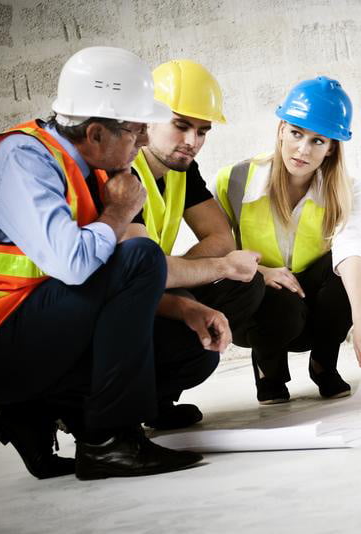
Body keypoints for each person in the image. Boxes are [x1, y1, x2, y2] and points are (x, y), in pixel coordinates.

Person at [0, 46, 211, 480]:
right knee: (139, 258)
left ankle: (32, 413)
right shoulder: (23, 159)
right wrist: (117, 213)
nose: (141, 141)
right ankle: (110, 442)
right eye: (135, 130)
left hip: (37, 326)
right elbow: (77, 266)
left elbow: (118, 285)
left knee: (181, 341)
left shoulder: (98, 167)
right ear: (96, 133)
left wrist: (187, 307)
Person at [215, 77, 361, 405]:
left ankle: (323, 365)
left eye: (317, 141)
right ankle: (269, 371)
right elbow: (219, 250)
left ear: (331, 149)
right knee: (279, 303)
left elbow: (350, 248)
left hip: (312, 306)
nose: (303, 149)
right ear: (281, 129)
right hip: (262, 305)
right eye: (296, 133)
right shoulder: (236, 179)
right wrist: (263, 274)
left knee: (352, 274)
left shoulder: (345, 189)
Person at [125, 59, 264, 430]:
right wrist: (195, 271)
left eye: (202, 131)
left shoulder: (181, 167)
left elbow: (220, 238)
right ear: (146, 119)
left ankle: (154, 400)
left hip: (147, 289)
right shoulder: (122, 169)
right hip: (113, 304)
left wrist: (175, 277)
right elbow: (139, 271)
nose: (192, 142)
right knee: (197, 347)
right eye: (181, 126)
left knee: (247, 284)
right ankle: (99, 410)